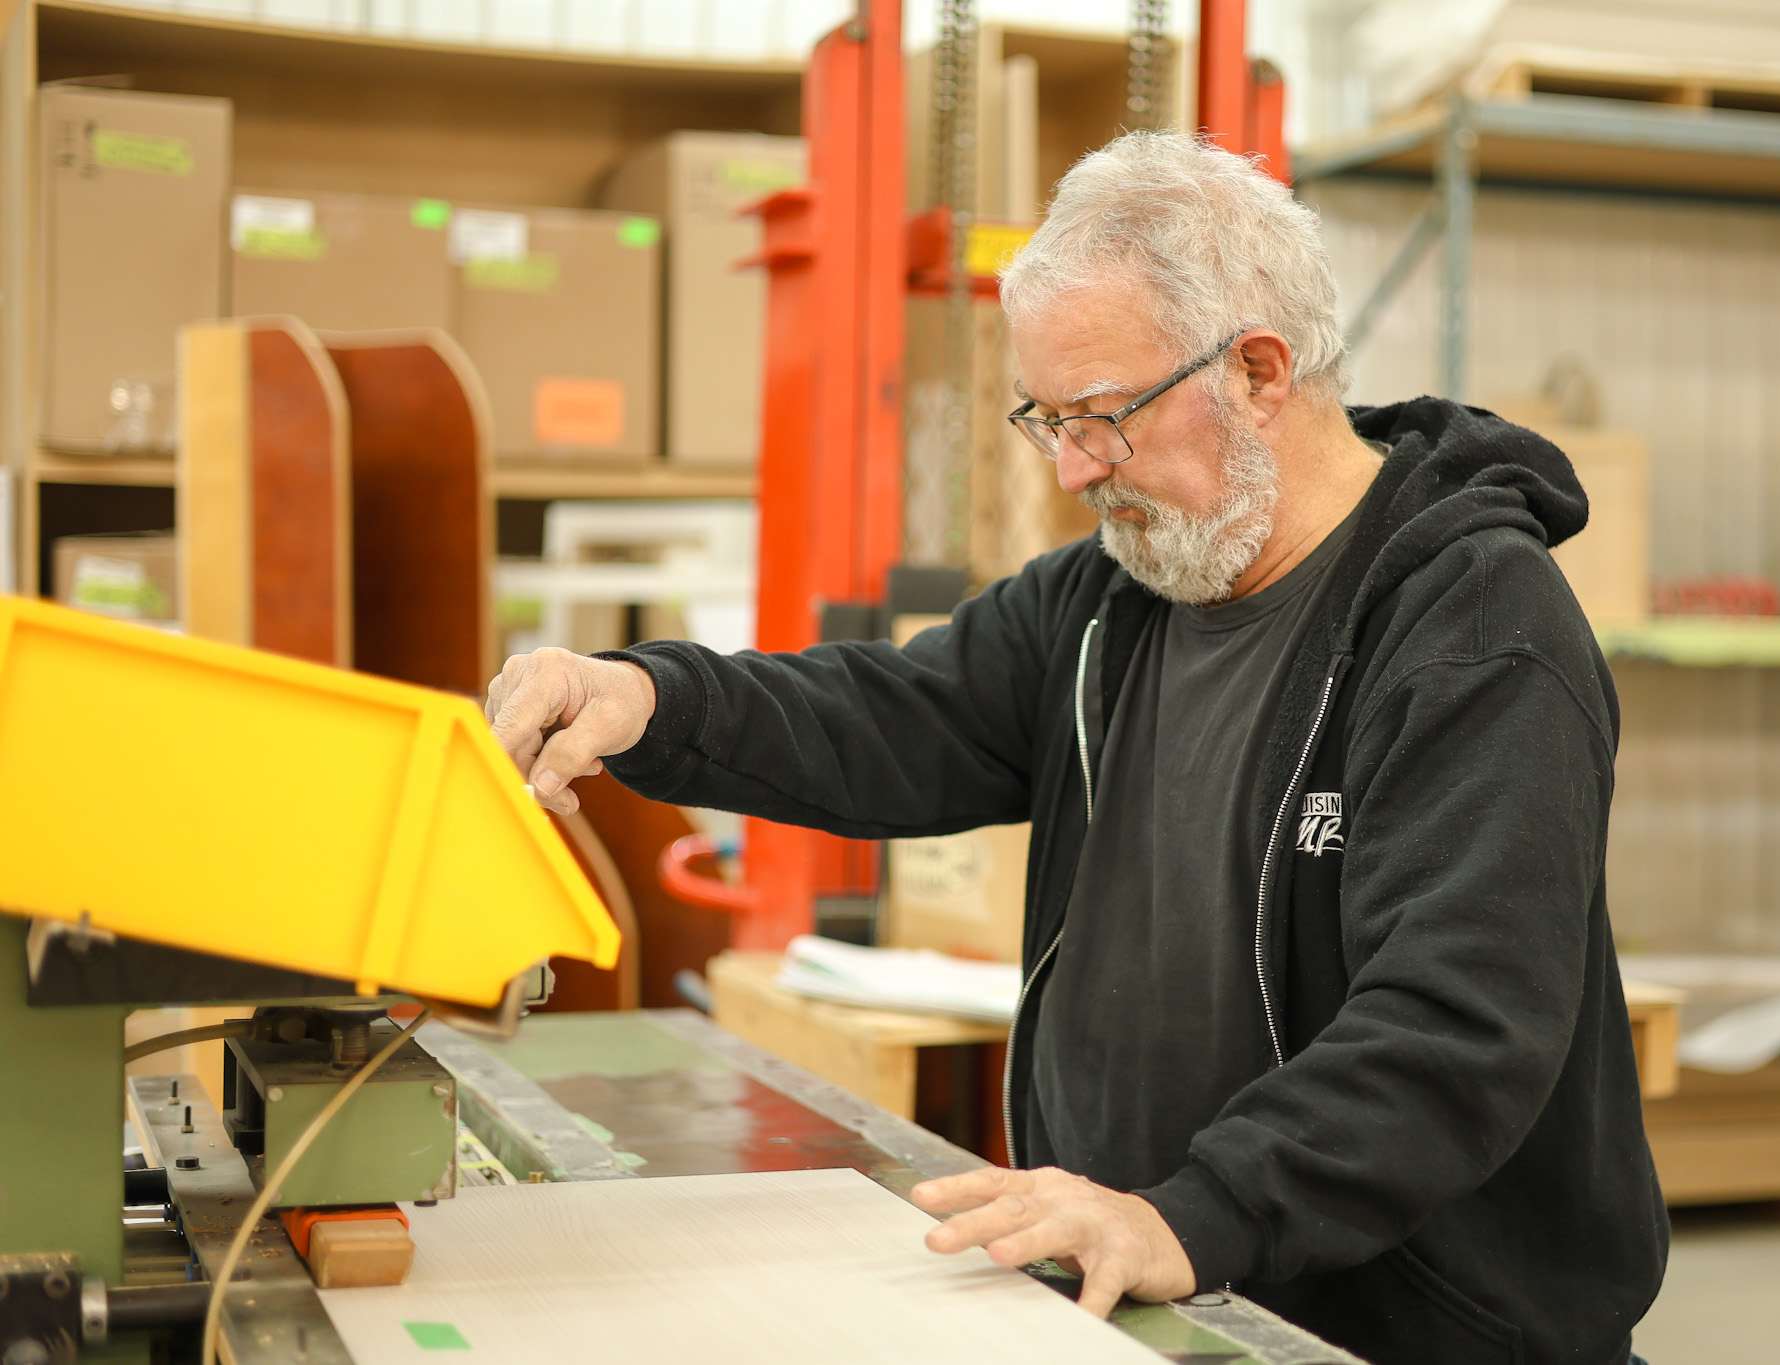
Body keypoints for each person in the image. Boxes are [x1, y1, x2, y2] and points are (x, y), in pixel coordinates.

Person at [486, 130, 1667, 1365]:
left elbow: (1456, 1031)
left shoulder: (1473, 633)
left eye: (1100, 419)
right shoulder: (1111, 599)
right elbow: (893, 712)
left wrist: (1191, 1214)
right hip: (1154, 1299)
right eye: (1043, 421)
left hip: (1396, 1331)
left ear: (1258, 371)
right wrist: (648, 700)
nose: (1066, 472)